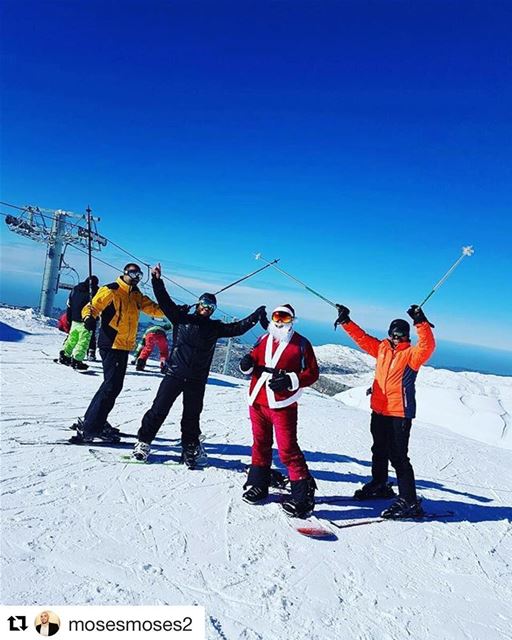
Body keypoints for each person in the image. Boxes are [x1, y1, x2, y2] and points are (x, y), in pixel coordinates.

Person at [132, 262, 267, 467]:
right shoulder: (181, 318)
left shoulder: (214, 327)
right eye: (204, 304)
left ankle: (190, 447)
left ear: (213, 310)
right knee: (159, 409)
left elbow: (237, 328)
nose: (206, 308)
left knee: (192, 415)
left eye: (210, 306)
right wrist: (157, 280)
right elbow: (165, 302)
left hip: (196, 379)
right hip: (175, 374)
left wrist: (255, 317)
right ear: (198, 303)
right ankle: (143, 442)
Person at [334, 303, 435, 519]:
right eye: (394, 334)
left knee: (398, 457)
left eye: (401, 335)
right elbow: (362, 338)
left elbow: (427, 346)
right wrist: (346, 321)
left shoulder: (412, 355)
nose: (397, 338)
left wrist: (421, 322)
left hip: (399, 412)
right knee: (378, 449)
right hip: (379, 410)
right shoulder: (381, 348)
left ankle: (409, 500)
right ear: (389, 334)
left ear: (407, 336)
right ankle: (380, 484)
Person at [239, 304, 319, 518]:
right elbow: (252, 363)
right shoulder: (264, 339)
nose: (279, 321)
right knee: (260, 443)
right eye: (277, 316)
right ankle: (258, 484)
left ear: (292, 320)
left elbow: (312, 373)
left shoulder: (301, 344)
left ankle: (302, 496)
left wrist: (291, 380)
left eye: (285, 317)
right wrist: (246, 364)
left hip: (283, 403)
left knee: (287, 449)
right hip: (257, 398)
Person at [70, 263, 164, 443]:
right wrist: (89, 318)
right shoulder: (111, 290)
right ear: (125, 273)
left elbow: (153, 309)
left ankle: (94, 420)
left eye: (139, 275)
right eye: (134, 273)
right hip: (110, 343)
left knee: (112, 385)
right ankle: (91, 427)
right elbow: (92, 307)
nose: (136, 277)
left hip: (124, 345)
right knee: (111, 386)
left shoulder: (137, 295)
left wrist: (174, 310)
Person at [58, 276, 99, 370]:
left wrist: (69, 318)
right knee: (83, 341)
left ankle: (65, 355)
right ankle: (77, 360)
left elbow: (69, 304)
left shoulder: (75, 290)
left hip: (74, 319)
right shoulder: (94, 293)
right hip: (86, 320)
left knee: (72, 338)